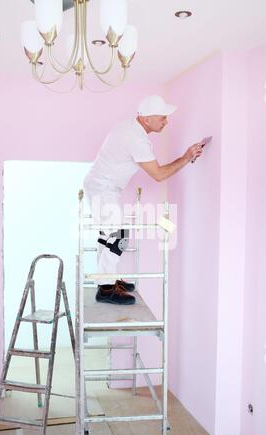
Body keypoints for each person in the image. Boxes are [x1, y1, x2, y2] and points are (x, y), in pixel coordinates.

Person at [84, 95, 204, 305]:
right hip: (103, 188)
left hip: (101, 186)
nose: (166, 121)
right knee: (118, 237)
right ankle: (105, 289)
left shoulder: (130, 127)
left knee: (109, 236)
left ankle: (108, 280)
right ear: (146, 119)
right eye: (162, 117)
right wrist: (186, 158)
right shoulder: (135, 139)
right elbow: (158, 175)